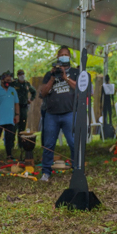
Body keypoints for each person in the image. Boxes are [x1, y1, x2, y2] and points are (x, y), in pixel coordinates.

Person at [40, 45, 78, 182]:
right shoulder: (49, 74)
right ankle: (46, 172)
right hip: (52, 114)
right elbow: (43, 93)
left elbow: (80, 89)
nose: (63, 56)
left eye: (66, 54)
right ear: (57, 57)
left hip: (69, 113)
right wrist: (52, 78)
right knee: (48, 144)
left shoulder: (74, 72)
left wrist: (65, 77)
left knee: (73, 143)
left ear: (69, 57)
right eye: (61, 54)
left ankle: (77, 170)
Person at [0, 71, 20, 162]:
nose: (8, 82)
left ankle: (9, 155)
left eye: (10, 80)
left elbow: (16, 103)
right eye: (6, 80)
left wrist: (17, 115)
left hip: (10, 119)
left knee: (9, 138)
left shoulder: (13, 90)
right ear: (2, 80)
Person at [12, 69, 36, 139]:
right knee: (14, 126)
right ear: (18, 75)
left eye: (23, 74)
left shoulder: (27, 84)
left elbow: (34, 92)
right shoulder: (14, 84)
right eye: (20, 74)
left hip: (24, 107)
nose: (22, 76)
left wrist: (31, 99)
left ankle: (21, 144)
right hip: (15, 108)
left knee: (22, 126)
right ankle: (12, 145)